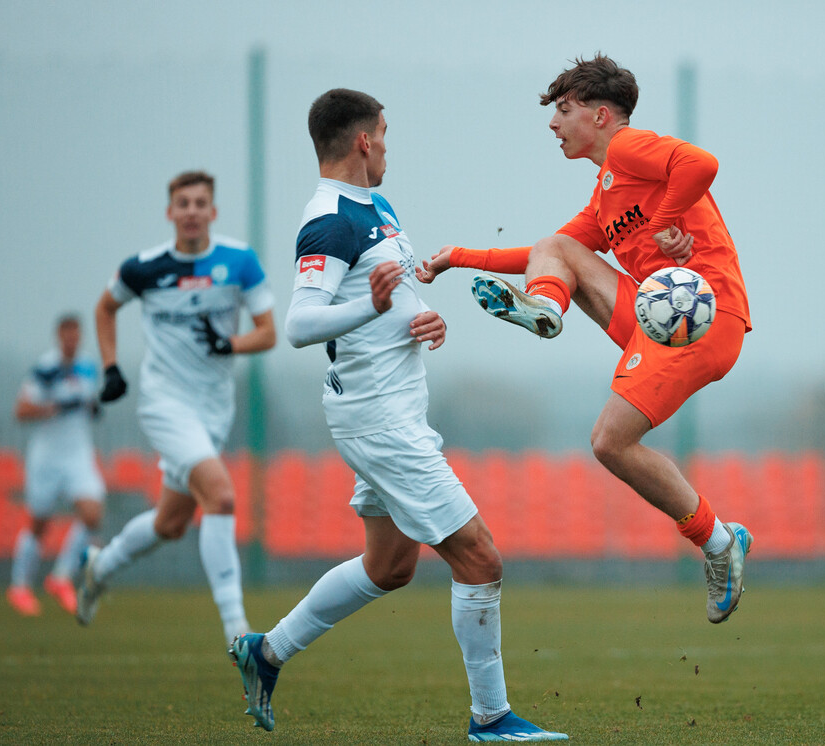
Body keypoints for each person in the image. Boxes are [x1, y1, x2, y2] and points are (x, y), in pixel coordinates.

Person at [228, 88, 567, 742]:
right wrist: (377, 311)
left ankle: (265, 653)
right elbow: (301, 322)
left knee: (389, 566)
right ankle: (490, 719)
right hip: (379, 420)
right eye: (383, 133)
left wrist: (419, 317)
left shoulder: (376, 206)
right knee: (480, 558)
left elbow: (388, 291)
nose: (387, 144)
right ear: (362, 140)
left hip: (393, 410)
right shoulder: (329, 219)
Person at [417, 54, 754, 624]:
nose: (553, 123)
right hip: (660, 319)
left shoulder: (627, 146)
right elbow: (542, 254)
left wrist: (668, 220)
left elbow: (701, 163)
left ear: (600, 116)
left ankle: (720, 544)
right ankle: (545, 309)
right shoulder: (606, 191)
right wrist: (456, 257)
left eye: (563, 110)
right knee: (561, 253)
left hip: (705, 315)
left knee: (607, 441)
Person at [76, 170, 276, 644]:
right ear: (170, 213)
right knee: (222, 496)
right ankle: (238, 632)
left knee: (171, 522)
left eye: (199, 203)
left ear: (213, 212)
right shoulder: (143, 267)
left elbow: (268, 333)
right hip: (164, 403)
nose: (191, 211)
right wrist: (110, 368)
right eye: (182, 203)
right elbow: (105, 308)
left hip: (214, 409)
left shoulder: (238, 261)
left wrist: (230, 345)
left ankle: (99, 566)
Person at [7, 315, 105, 617]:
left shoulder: (88, 366)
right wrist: (54, 407)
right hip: (47, 457)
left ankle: (60, 577)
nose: (72, 341)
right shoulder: (45, 369)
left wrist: (92, 407)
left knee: (92, 513)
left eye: (77, 336)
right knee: (40, 523)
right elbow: (21, 411)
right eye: (67, 336)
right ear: (58, 337)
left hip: (77, 454)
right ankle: (20, 585)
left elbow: (91, 406)